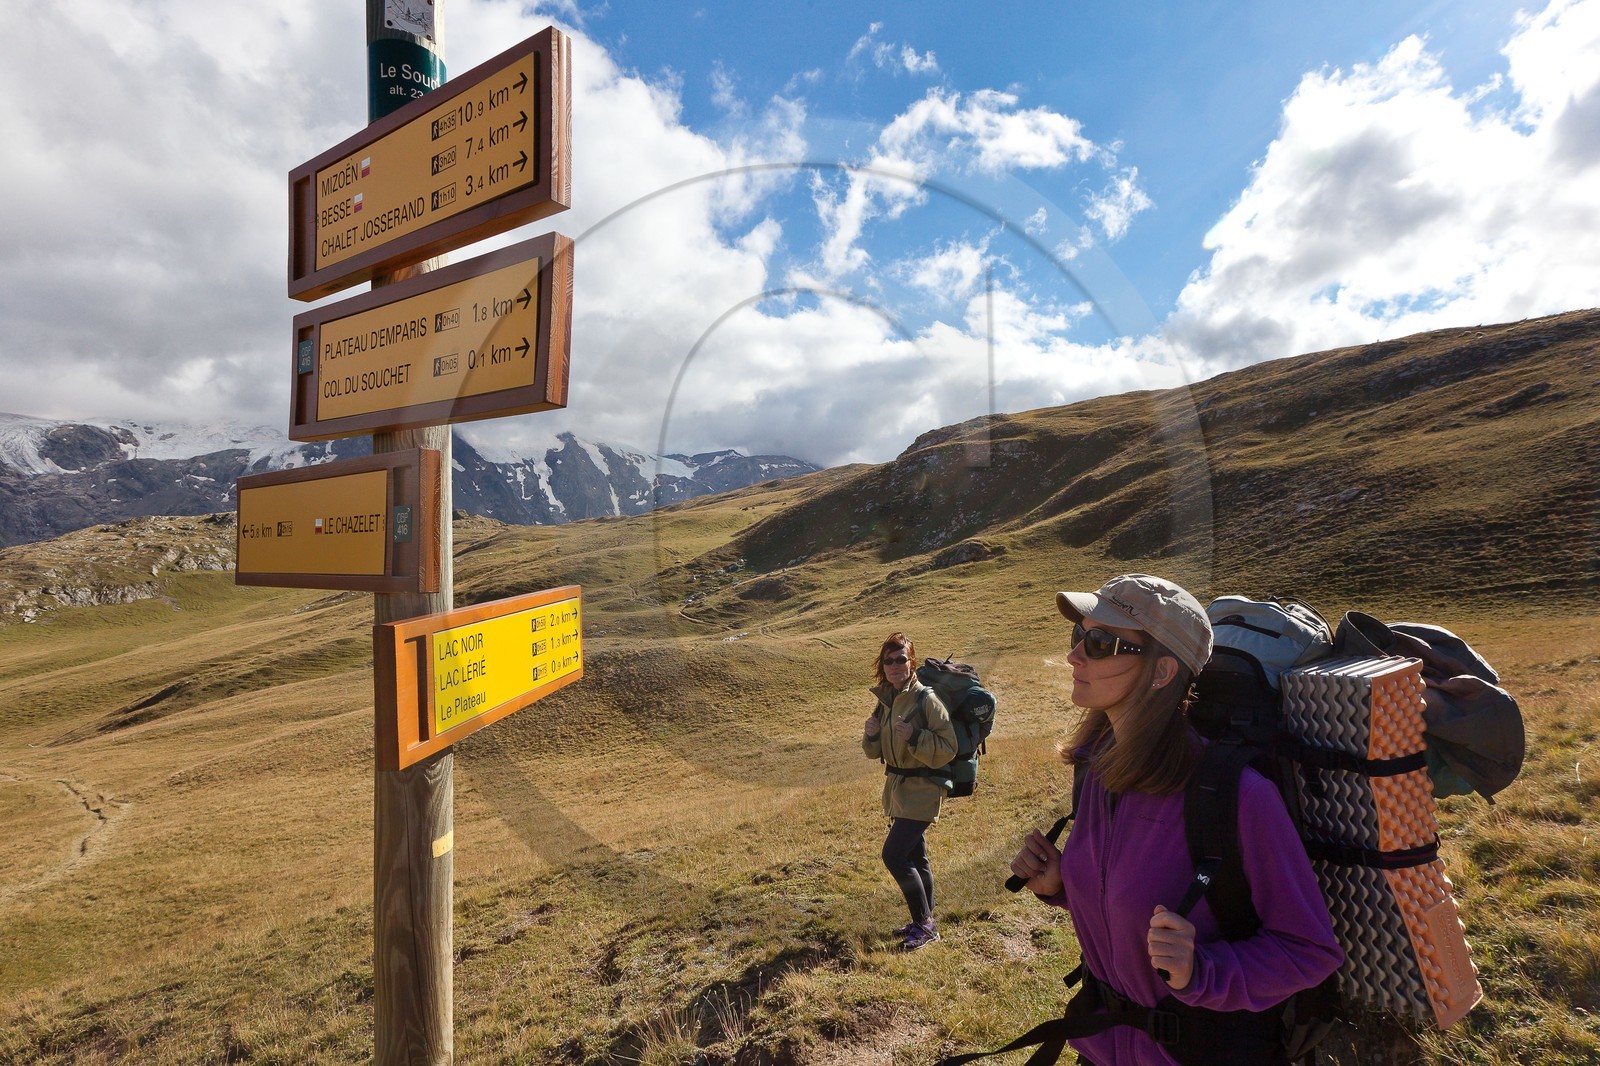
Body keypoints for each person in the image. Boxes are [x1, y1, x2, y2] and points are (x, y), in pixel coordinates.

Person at [1009, 574, 1343, 1066]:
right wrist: (1061, 884)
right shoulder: (1100, 770)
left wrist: (1201, 972)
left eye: (1100, 643)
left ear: (1162, 671)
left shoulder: (1240, 796)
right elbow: (1126, 895)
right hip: (1102, 1048)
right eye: (1078, 636)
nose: (1074, 656)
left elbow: (1310, 951)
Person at [863, 631, 958, 951]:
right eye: (888, 660)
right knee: (917, 856)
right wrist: (873, 734)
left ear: (912, 661)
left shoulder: (925, 699)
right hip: (899, 789)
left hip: (923, 788)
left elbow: (948, 748)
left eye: (900, 658)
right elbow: (873, 754)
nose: (894, 665)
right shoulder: (886, 700)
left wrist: (915, 736)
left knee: (893, 855)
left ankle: (925, 925)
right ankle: (925, 920)